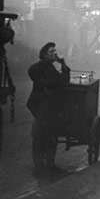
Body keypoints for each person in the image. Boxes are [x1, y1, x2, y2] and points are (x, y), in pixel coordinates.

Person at [26, 42, 71, 176]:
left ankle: (47, 166)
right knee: (42, 138)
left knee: (50, 137)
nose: (55, 53)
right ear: (44, 54)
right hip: (41, 108)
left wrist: (63, 63)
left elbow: (64, 79)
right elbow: (56, 81)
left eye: (55, 51)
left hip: (49, 108)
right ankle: (41, 167)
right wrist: (53, 83)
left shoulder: (51, 68)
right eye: (52, 52)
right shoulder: (38, 68)